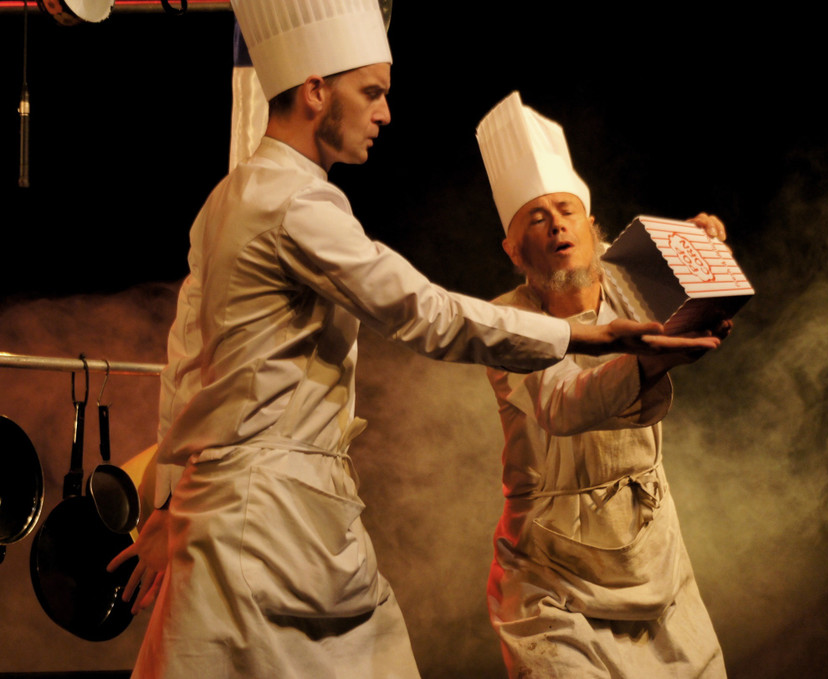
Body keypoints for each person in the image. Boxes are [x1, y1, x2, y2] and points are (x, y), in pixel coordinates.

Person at [107, 3, 711, 679]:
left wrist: (168, 502)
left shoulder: (227, 199)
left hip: (240, 514)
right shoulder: (296, 203)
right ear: (316, 91)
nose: (385, 113)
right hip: (272, 523)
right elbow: (423, 311)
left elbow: (185, 364)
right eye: (372, 92)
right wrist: (581, 336)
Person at [476, 91, 730, 678]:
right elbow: (563, 403)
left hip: (655, 562)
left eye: (566, 210)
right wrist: (647, 363)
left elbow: (703, 281)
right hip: (551, 581)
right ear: (514, 250)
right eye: (535, 218)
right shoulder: (505, 322)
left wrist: (700, 250)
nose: (556, 224)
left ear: (592, 227)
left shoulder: (631, 272)